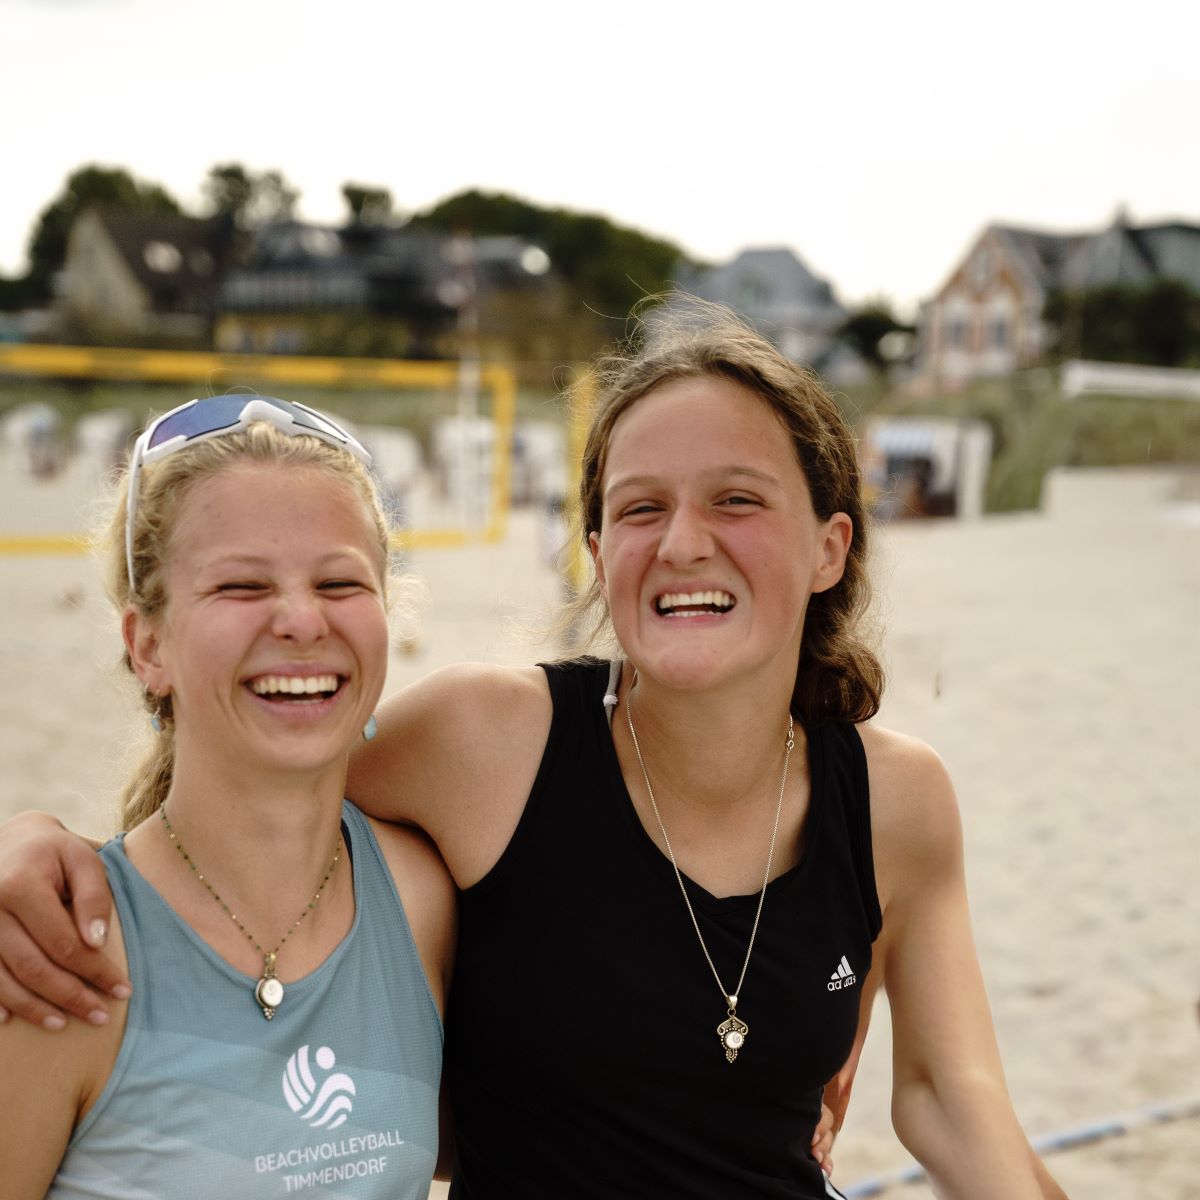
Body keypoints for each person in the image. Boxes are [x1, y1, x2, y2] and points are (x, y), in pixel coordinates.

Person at [0, 305, 1058, 1198]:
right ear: (598, 550)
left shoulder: (894, 800)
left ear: (831, 545)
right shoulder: (485, 744)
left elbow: (946, 1093)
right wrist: (39, 845)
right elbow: (257, 787)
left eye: (736, 499)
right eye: (640, 508)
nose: (684, 542)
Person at [0, 396, 454, 1197]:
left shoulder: (422, 900)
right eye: (242, 585)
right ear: (148, 645)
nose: (302, 620)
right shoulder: (60, 959)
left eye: (340, 582)